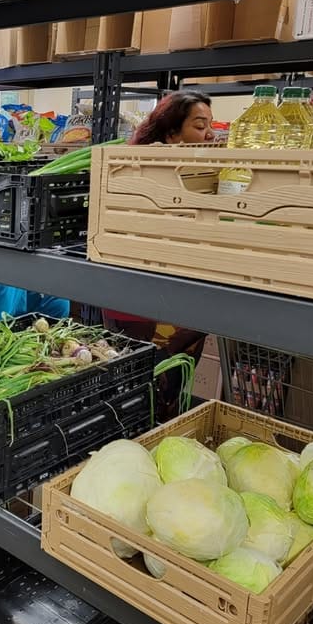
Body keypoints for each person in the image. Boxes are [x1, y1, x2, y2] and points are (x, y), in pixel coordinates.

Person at [104, 90, 214, 418]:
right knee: (138, 393)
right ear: (171, 133)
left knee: (172, 393)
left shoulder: (203, 176)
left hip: (186, 307)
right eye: (199, 125)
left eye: (210, 124)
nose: (209, 134)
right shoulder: (137, 174)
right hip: (142, 307)